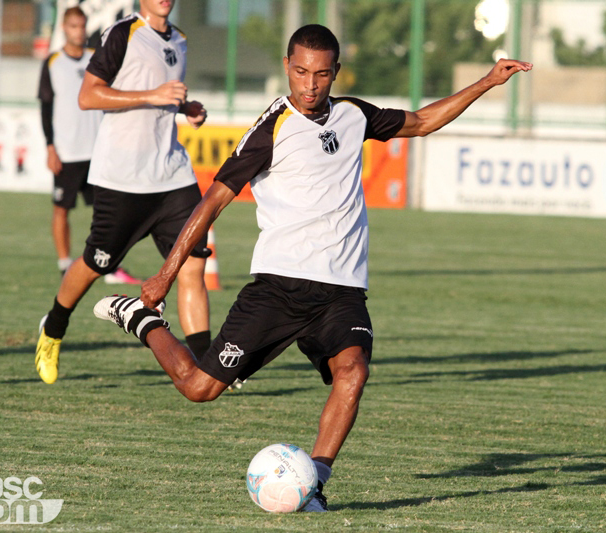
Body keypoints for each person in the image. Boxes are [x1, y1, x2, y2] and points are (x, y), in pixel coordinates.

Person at [93, 24, 532, 511]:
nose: (309, 84)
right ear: (287, 67)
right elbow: (211, 204)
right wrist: (165, 274)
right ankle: (140, 319)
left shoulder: (352, 115)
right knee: (199, 389)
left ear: (335, 73)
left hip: (342, 291)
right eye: (300, 72)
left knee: (354, 372)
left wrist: (488, 82)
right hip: (278, 288)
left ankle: (315, 483)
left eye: (321, 74)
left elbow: (423, 121)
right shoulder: (270, 128)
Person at [35, 0, 212, 385]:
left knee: (193, 264)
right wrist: (152, 94)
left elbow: (164, 98)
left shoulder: (179, 39)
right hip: (122, 178)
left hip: (172, 174)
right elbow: (89, 96)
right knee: (96, 263)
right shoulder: (122, 34)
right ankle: (53, 328)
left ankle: (207, 367)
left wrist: (186, 107)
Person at [37, 6, 142, 284]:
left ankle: (108, 265)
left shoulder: (97, 59)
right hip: (67, 152)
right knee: (61, 209)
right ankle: (64, 264)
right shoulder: (53, 62)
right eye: (73, 26)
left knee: (107, 212)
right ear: (64, 28)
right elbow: (46, 108)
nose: (78, 31)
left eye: (82, 26)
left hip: (98, 151)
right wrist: (50, 147)